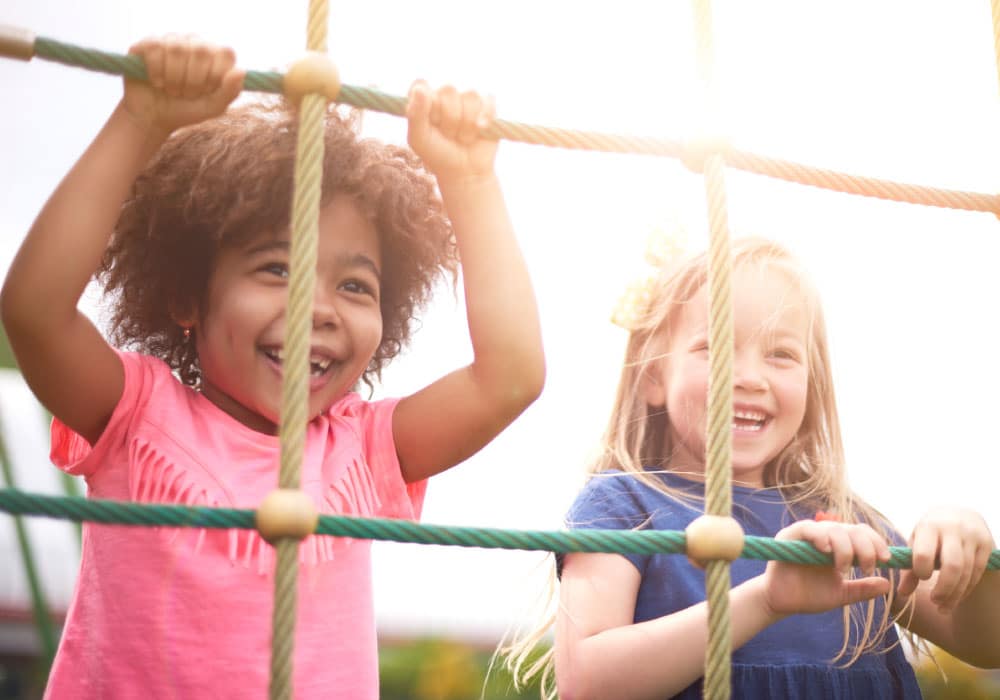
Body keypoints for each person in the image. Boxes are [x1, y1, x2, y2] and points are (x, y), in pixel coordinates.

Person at [0, 36, 544, 699]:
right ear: (185, 296)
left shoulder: (361, 448)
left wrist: (471, 181)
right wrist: (139, 123)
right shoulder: (137, 414)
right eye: (277, 269)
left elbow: (511, 375)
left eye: (355, 287)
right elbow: (33, 312)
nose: (318, 309)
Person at [504, 236, 998, 699]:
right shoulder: (622, 505)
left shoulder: (844, 520)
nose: (749, 378)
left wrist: (971, 547)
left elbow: (984, 643)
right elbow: (587, 682)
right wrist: (763, 600)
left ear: (812, 384)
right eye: (714, 348)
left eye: (781, 354)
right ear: (654, 375)